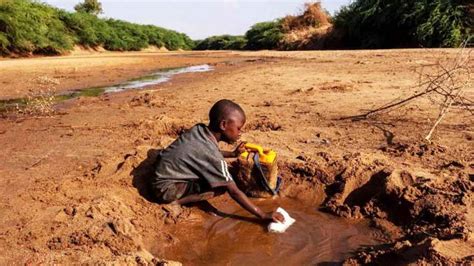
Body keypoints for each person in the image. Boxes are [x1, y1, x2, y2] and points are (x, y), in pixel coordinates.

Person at [152, 99, 284, 223]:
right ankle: (178, 202)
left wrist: (232, 154)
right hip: (165, 190)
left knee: (215, 176)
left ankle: (189, 197)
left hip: (162, 175)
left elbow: (203, 154)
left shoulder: (199, 130)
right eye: (238, 128)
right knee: (221, 186)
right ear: (223, 125)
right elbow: (234, 191)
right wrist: (263, 215)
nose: (240, 133)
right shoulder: (212, 154)